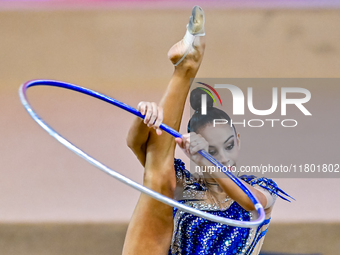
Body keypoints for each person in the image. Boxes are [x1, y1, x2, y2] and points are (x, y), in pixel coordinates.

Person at [122, 6, 292, 255]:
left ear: (238, 140)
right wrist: (144, 118)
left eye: (229, 145)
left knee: (162, 174)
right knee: (159, 174)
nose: (223, 157)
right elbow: (138, 147)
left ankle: (186, 68)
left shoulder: (262, 188)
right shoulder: (183, 187)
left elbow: (250, 203)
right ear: (193, 149)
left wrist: (207, 160)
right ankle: (185, 68)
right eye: (211, 149)